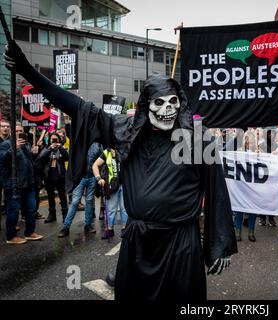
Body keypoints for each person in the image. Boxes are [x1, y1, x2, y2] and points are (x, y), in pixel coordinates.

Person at [5, 40, 237, 300]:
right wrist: (27, 69)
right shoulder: (126, 132)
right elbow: (77, 106)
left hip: (180, 245)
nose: (167, 110)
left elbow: (217, 189)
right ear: (146, 105)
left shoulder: (196, 138)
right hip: (138, 244)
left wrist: (219, 244)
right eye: (159, 103)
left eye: (173, 102)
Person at [0, 123, 43, 244]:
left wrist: (34, 153)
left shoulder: (26, 145)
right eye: (17, 131)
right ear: (12, 133)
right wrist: (14, 148)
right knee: (13, 210)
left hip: (28, 183)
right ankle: (11, 236)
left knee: (31, 208)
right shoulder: (5, 144)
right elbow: (2, 159)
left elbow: (29, 163)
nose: (19, 133)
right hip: (14, 184)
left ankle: (30, 232)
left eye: (21, 131)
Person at [58, 143, 102, 237]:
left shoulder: (97, 145)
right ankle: (66, 227)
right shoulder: (79, 141)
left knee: (89, 201)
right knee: (75, 202)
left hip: (92, 177)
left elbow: (102, 158)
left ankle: (88, 225)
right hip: (80, 178)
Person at [92, 148, 128, 239]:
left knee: (125, 208)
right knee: (111, 208)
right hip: (112, 186)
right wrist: (99, 178)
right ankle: (110, 229)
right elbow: (95, 165)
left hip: (125, 184)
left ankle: (125, 229)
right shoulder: (107, 152)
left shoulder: (125, 149)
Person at [35, 133, 69, 223]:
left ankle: (65, 215)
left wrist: (61, 148)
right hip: (48, 176)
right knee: (50, 196)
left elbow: (67, 157)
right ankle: (52, 215)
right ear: (49, 140)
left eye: (56, 139)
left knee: (62, 196)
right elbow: (40, 158)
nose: (54, 141)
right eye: (52, 139)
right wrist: (50, 149)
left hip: (60, 175)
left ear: (59, 140)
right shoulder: (46, 149)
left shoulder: (61, 149)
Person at [234, 131, 258, 242]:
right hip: (241, 184)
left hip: (253, 184)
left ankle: (251, 231)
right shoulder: (239, 151)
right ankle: (237, 231)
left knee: (252, 208)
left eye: (252, 141)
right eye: (248, 140)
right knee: (240, 208)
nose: (250, 143)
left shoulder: (259, 152)